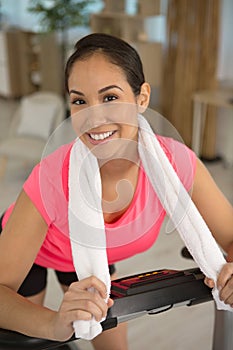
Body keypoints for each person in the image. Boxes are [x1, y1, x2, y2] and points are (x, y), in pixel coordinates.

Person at [0, 33, 232, 350]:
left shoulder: (176, 163)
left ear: (142, 97)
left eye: (110, 97)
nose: (94, 118)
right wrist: (54, 324)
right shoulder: (52, 178)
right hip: (36, 253)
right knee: (27, 342)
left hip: (91, 250)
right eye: (80, 101)